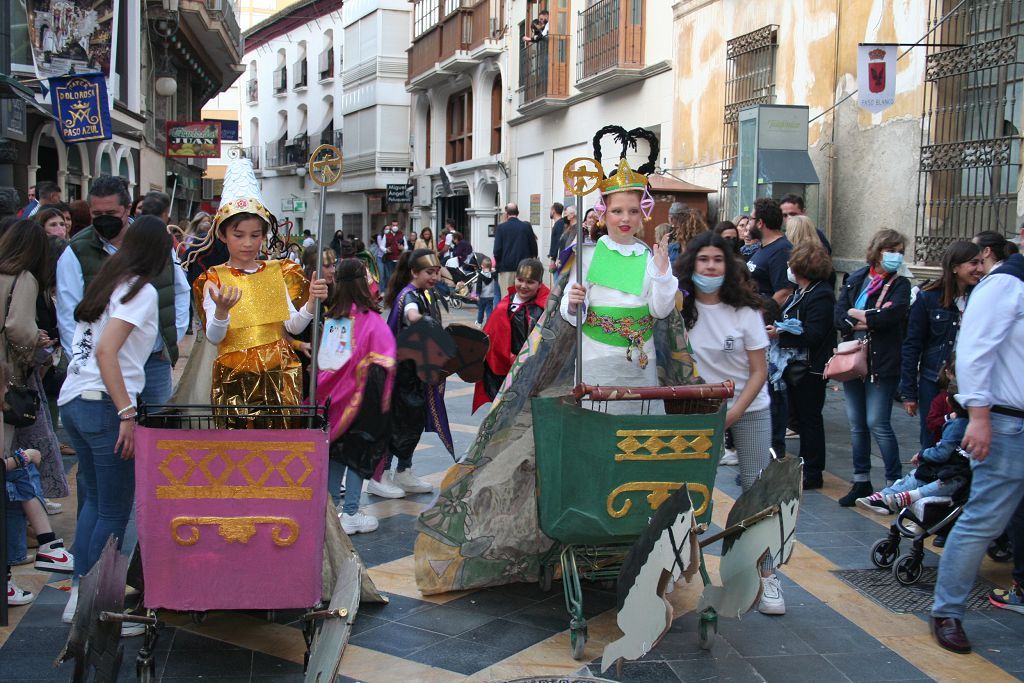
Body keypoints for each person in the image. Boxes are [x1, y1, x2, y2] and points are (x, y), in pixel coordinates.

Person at [57, 217, 172, 626]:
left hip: (74, 401)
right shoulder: (138, 291)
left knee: (95, 504)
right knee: (113, 512)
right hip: (104, 405)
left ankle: (81, 597)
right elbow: (107, 352)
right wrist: (127, 412)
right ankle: (98, 606)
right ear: (158, 252)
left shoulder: (110, 282)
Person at [677, 231, 784, 615]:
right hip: (697, 410)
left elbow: (759, 372)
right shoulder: (679, 307)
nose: (710, 267)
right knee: (681, 488)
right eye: (703, 260)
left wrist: (734, 412)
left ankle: (767, 576)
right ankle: (674, 563)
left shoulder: (745, 310)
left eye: (717, 260)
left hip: (749, 407)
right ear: (692, 265)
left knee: (756, 488)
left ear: (728, 265)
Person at [930, 246, 1024, 655]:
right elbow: (974, 352)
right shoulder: (1006, 282)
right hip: (1008, 422)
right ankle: (947, 611)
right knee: (983, 520)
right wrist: (979, 416)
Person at [193, 172, 327, 419]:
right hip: (233, 378)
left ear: (263, 236)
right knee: (239, 449)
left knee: (278, 447)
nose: (247, 243)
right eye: (238, 235)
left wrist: (311, 301)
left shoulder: (276, 272)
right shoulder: (214, 279)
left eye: (255, 235)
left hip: (279, 374)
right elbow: (214, 337)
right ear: (222, 235)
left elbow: (293, 326)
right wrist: (222, 311)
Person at [561, 134, 677, 413]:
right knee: (598, 428)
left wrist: (662, 273)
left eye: (632, 211)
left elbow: (660, 311)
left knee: (637, 429)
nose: (625, 218)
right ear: (603, 214)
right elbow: (570, 311)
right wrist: (575, 302)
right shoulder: (587, 254)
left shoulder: (651, 256)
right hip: (597, 356)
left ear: (642, 214)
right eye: (617, 211)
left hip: (640, 359)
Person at [56, 175, 190, 408]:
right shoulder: (76, 251)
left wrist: (171, 340)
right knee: (115, 436)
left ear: (127, 209)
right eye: (97, 215)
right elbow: (69, 314)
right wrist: (83, 362)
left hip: (154, 361)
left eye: (111, 214)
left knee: (156, 431)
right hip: (104, 367)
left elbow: (179, 290)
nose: (104, 220)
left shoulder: (153, 242)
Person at [318, 259, 397, 535]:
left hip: (333, 403)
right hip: (364, 404)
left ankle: (326, 510)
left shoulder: (333, 319)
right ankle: (350, 511)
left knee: (335, 453)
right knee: (357, 455)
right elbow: (388, 360)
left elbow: (327, 365)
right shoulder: (372, 321)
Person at [833, 229, 911, 506]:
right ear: (877, 250)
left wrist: (863, 316)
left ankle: (893, 483)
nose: (896, 256)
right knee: (857, 424)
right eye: (891, 250)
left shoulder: (900, 284)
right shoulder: (855, 278)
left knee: (877, 421)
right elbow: (840, 315)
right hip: (854, 360)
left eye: (900, 250)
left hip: (883, 362)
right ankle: (861, 480)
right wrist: (863, 318)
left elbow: (893, 316)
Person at [371, 249, 449, 498]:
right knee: (395, 425)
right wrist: (420, 321)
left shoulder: (423, 293)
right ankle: (380, 476)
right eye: (429, 272)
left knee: (411, 424)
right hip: (400, 376)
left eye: (437, 272)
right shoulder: (409, 296)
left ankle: (403, 472)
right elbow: (411, 313)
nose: (434, 276)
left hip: (414, 375)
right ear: (414, 272)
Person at [900, 241, 982, 450]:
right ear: (955, 267)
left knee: (965, 440)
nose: (979, 269)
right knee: (932, 436)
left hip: (970, 380)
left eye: (982, 262)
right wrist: (909, 392)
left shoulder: (982, 297)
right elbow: (912, 345)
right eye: (973, 263)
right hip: (935, 380)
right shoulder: (928, 298)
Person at [858, 369, 970, 515]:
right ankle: (885, 496)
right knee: (917, 475)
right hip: (948, 468)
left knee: (934, 479)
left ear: (948, 401)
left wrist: (922, 454)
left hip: (952, 471)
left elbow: (942, 452)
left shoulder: (957, 425)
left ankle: (898, 497)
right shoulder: (963, 422)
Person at [771, 243, 836, 490]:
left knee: (810, 419)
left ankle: (813, 471)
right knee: (801, 418)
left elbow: (815, 333)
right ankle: (804, 467)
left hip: (810, 368)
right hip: (796, 367)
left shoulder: (820, 294)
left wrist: (780, 335)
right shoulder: (801, 292)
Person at [747, 198, 792, 459]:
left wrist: (759, 319)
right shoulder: (762, 248)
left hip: (766, 331)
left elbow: (784, 291)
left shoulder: (781, 250)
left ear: (761, 223)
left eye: (752, 219)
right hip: (755, 326)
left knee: (772, 390)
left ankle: (773, 450)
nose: (750, 223)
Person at [474, 258, 550, 412]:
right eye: (520, 280)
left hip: (530, 371)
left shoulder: (545, 308)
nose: (523, 286)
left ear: (539, 284)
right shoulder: (504, 305)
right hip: (501, 370)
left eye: (530, 282)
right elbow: (491, 337)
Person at [493, 203, 538, 296]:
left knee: (507, 297)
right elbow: (533, 247)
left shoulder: (501, 228)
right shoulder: (526, 226)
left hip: (506, 268)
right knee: (523, 296)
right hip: (524, 268)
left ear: (506, 213)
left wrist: (499, 264)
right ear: (518, 212)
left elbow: (497, 250)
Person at [378, 221, 406, 285]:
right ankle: (389, 290)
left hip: (399, 259)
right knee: (389, 276)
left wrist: (403, 248)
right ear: (391, 226)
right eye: (393, 225)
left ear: (398, 226)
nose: (395, 227)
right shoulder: (386, 235)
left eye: (396, 225)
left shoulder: (401, 235)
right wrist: (386, 250)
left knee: (398, 276)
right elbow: (381, 246)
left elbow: (406, 246)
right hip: (389, 259)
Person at [475, 256, 498, 325]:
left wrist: (477, 295)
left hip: (482, 296)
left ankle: (479, 323)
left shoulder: (480, 276)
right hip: (491, 296)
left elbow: (478, 286)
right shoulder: (494, 275)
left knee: (481, 311)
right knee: (489, 311)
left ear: (482, 266)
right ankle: (489, 323)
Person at [546, 202, 565, 270]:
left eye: (550, 210)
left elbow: (559, 242)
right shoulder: (560, 223)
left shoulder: (559, 224)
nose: (550, 212)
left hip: (558, 261)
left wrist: (554, 260)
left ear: (553, 211)